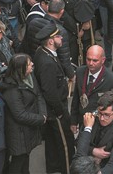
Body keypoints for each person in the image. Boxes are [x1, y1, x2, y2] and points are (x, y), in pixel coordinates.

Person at [32, 20, 75, 174]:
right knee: (65, 142)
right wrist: (60, 112)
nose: (61, 38)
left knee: (51, 140)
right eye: (58, 37)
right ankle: (67, 169)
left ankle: (53, 167)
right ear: (51, 41)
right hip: (56, 109)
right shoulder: (47, 62)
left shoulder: (42, 52)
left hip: (52, 108)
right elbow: (49, 92)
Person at [0, 53, 47, 173]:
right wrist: (40, 119)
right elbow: (20, 115)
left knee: (25, 157)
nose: (32, 64)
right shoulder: (12, 89)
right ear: (21, 69)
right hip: (18, 133)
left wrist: (43, 114)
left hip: (27, 129)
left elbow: (38, 95)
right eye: (29, 64)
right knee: (18, 162)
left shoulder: (29, 77)